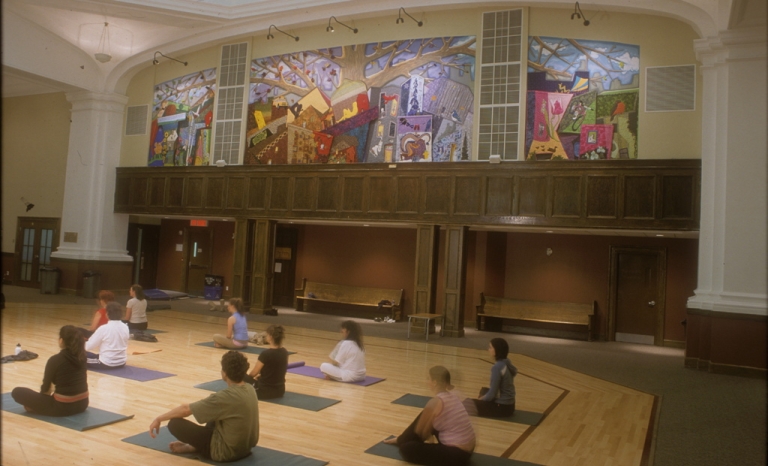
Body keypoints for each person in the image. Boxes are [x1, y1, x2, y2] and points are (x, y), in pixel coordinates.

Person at [149, 351, 259, 462]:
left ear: (224, 373)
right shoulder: (250, 388)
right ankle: (193, 446)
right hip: (246, 448)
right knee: (213, 411)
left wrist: (159, 419)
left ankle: (196, 447)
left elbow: (186, 409)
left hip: (225, 452)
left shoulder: (224, 397)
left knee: (174, 424)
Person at [384, 366, 475, 466]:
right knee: (428, 415)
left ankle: (401, 440)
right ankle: (401, 439)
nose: (427, 382)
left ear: (435, 382)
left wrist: (427, 438)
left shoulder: (435, 402)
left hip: (456, 456)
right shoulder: (454, 395)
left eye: (429, 379)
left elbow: (421, 433)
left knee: (406, 448)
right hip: (468, 451)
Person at [11, 325, 89, 416]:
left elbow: (46, 389)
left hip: (62, 408)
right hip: (83, 404)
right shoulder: (82, 357)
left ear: (61, 340)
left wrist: (37, 405)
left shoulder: (55, 360)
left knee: (17, 392)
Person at [464, 338, 517, 418]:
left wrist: (481, 400)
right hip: (510, 406)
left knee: (467, 403)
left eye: (491, 347)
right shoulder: (506, 362)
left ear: (497, 350)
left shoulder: (497, 367)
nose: (488, 349)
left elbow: (492, 394)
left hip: (502, 408)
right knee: (484, 390)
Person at [243, 325, 288, 399]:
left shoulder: (266, 354)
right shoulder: (284, 352)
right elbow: (277, 370)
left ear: (270, 337)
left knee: (240, 375)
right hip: (280, 391)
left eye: (267, 334)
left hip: (264, 391)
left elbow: (254, 373)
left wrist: (247, 379)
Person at [85, 302, 129, 369]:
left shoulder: (104, 328)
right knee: (88, 355)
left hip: (106, 363)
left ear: (107, 314)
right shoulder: (125, 327)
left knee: (76, 358)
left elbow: (88, 346)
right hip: (121, 362)